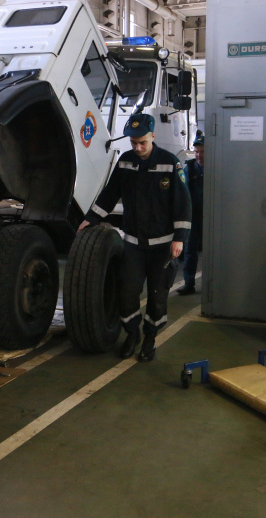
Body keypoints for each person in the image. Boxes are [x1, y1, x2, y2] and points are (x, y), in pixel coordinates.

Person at [79, 113, 191, 362]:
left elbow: (183, 204)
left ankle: (149, 339)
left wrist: (179, 238)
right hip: (133, 245)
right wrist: (92, 218)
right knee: (127, 293)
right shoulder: (125, 162)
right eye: (133, 143)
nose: (138, 148)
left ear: (153, 136)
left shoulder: (170, 163)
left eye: (142, 142)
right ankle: (132, 334)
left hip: (162, 246)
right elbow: (110, 194)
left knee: (157, 296)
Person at [177, 135, 204, 296]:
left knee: (213, 251)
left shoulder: (216, 167)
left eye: (202, 151)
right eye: (196, 152)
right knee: (190, 249)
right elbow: (183, 191)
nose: (199, 155)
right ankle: (189, 284)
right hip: (193, 216)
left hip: (211, 216)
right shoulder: (190, 168)